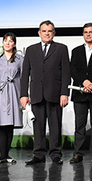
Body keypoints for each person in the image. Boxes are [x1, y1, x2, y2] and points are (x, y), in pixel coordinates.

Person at [21, 20, 71, 165]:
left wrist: (64, 93)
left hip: (55, 94)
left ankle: (55, 154)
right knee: (38, 126)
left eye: (50, 31)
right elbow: (25, 74)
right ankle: (38, 154)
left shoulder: (61, 49)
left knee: (55, 126)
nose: (47, 33)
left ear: (54, 33)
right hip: (36, 94)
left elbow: (66, 73)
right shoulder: (31, 50)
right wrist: (23, 94)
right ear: (39, 33)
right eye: (44, 31)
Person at [69, 23, 92, 164]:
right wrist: (84, 82)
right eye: (86, 32)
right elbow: (73, 70)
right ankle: (77, 153)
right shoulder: (76, 51)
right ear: (83, 34)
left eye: (91, 32)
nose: (88, 34)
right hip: (80, 93)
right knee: (79, 126)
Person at [0, 32, 23, 164]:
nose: (7, 43)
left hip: (13, 92)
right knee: (0, 124)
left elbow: (23, 78)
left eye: (10, 41)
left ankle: (7, 154)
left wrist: (24, 95)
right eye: (5, 40)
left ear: (14, 44)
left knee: (10, 124)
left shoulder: (20, 59)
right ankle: (2, 155)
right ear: (2, 43)